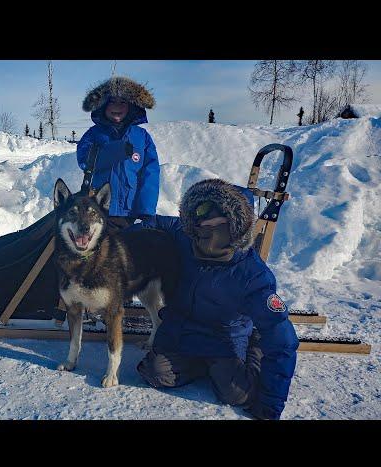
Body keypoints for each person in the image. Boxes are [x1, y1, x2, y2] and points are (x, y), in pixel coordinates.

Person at [135, 178, 299, 420]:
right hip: (183, 333)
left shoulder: (253, 275)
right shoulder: (185, 235)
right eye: (200, 215)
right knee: (155, 374)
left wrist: (270, 403)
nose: (203, 224)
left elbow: (283, 340)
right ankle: (204, 366)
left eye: (214, 216)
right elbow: (156, 222)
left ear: (235, 224)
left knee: (238, 395)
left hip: (224, 340)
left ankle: (253, 346)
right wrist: (126, 238)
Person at [77, 76, 160, 231]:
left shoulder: (142, 137)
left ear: (131, 106)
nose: (118, 106)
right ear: (103, 105)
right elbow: (85, 161)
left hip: (130, 213)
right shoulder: (93, 134)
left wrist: (146, 211)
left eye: (123, 102)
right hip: (97, 211)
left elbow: (150, 174)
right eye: (112, 101)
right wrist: (116, 151)